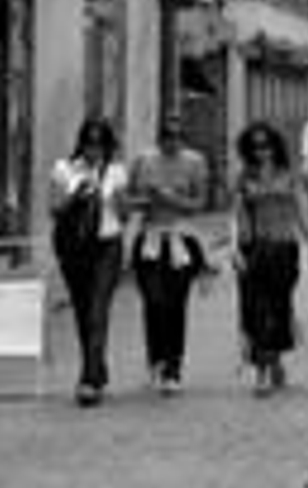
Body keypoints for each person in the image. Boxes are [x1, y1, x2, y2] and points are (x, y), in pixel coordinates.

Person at [232, 121, 308, 395]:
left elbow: (304, 211)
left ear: (276, 146)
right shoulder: (244, 178)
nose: (262, 151)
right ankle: (262, 370)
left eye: (267, 145)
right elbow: (235, 216)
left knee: (279, 306)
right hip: (254, 249)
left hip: (285, 249)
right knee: (255, 309)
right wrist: (234, 249)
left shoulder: (290, 176)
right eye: (256, 146)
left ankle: (275, 359)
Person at [49, 117, 132, 406]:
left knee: (98, 310)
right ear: (81, 143)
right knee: (83, 313)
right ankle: (97, 368)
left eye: (99, 143)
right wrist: (75, 195)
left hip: (107, 246)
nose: (93, 149)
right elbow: (54, 209)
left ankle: (87, 379)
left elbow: (123, 217)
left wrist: (119, 200)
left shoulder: (117, 172)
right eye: (88, 143)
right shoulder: (64, 169)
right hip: (74, 249)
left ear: (107, 145)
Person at [128, 115, 209, 394]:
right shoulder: (143, 161)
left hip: (181, 240)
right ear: (158, 138)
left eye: (176, 136)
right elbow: (130, 200)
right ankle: (156, 360)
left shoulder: (195, 162)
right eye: (166, 136)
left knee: (176, 304)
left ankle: (174, 367)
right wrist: (146, 200)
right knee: (153, 301)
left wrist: (171, 199)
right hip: (149, 238)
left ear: (182, 139)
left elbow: (199, 204)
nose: (171, 142)